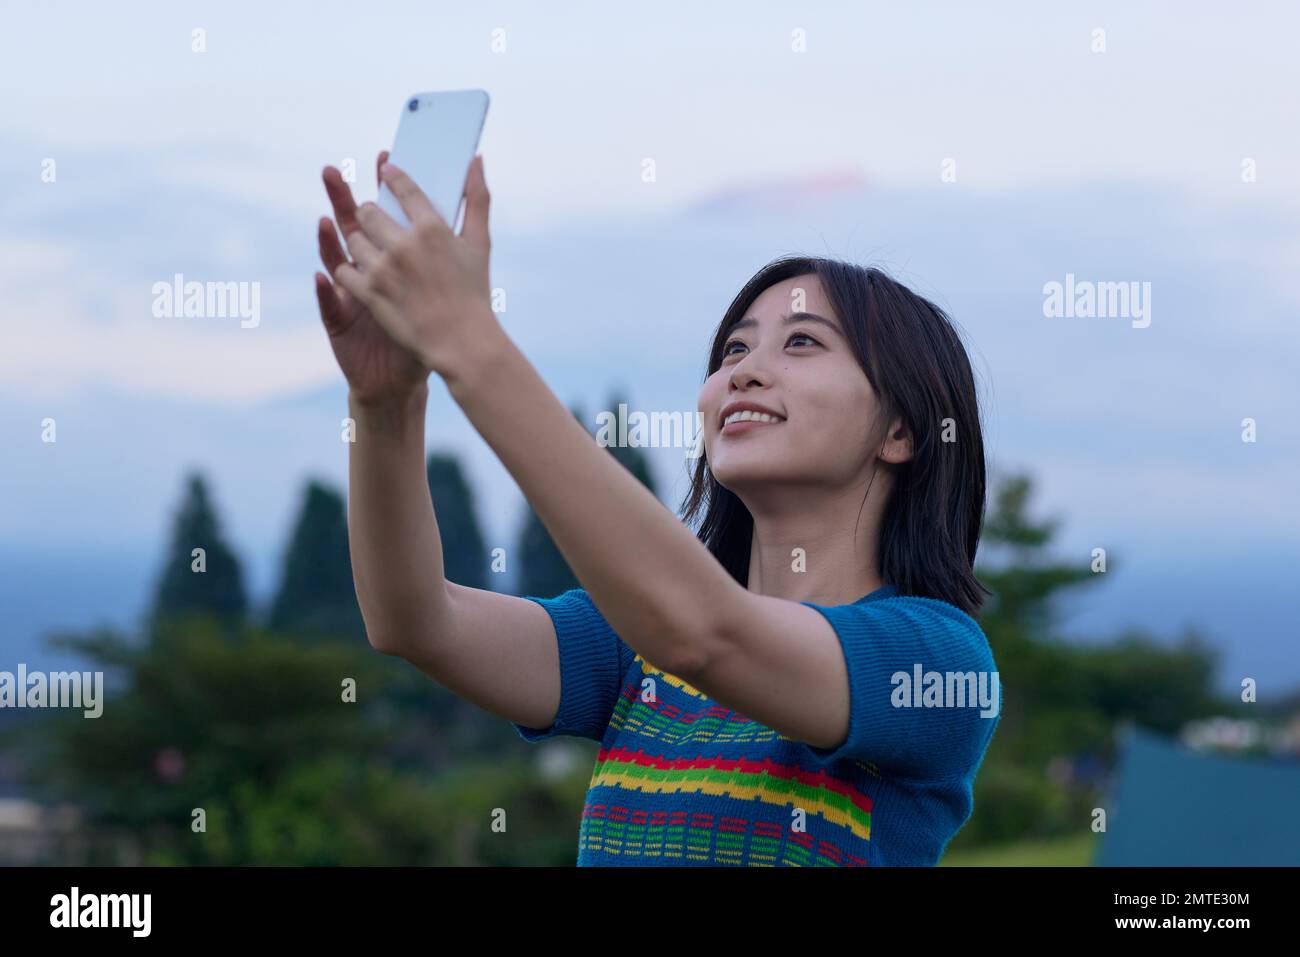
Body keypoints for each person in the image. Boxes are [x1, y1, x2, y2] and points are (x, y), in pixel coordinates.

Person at [313, 152, 1001, 866]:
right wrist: (386, 403)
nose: (745, 370)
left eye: (802, 342)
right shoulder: (635, 647)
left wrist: (470, 346)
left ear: (901, 430)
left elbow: (706, 634)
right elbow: (414, 619)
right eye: (733, 348)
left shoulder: (938, 664)